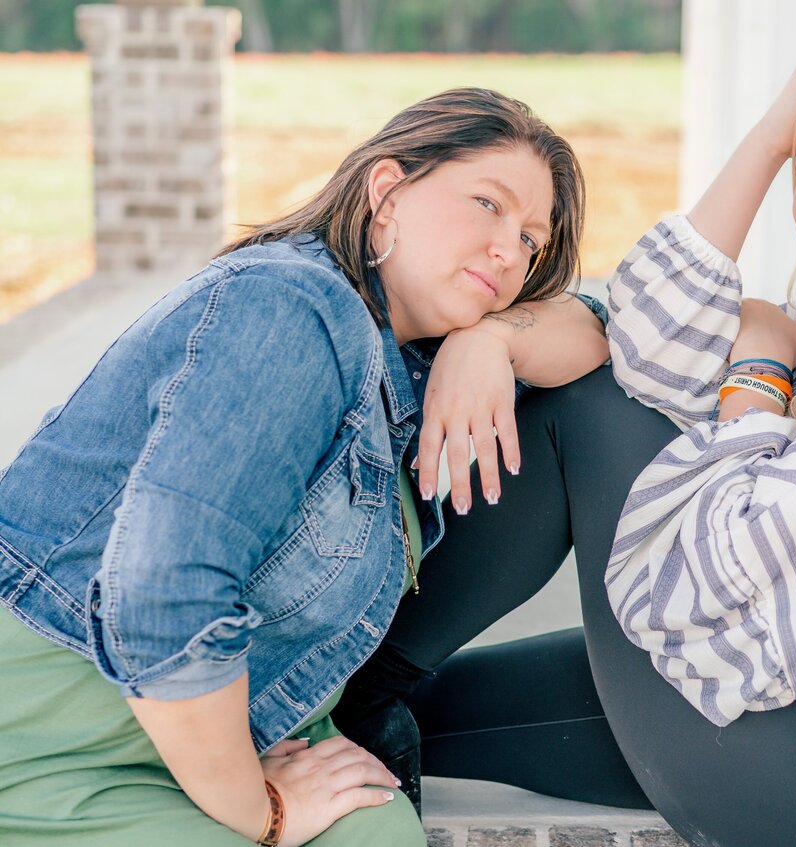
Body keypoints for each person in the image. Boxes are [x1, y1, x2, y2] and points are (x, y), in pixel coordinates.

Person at [334, 40, 796, 847]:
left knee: (591, 406)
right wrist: (493, 340)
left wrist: (757, 374)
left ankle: (342, 663)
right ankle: (336, 708)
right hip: (786, 722)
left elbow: (724, 586)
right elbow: (647, 338)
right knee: (390, 712)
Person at [0, 87, 609, 846]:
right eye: (487, 204)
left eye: (530, 239)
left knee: (379, 833)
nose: (508, 250)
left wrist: (493, 342)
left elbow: (602, 333)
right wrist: (264, 812)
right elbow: (162, 595)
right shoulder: (294, 309)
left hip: (245, 714)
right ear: (386, 194)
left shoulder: (416, 361)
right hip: (66, 717)